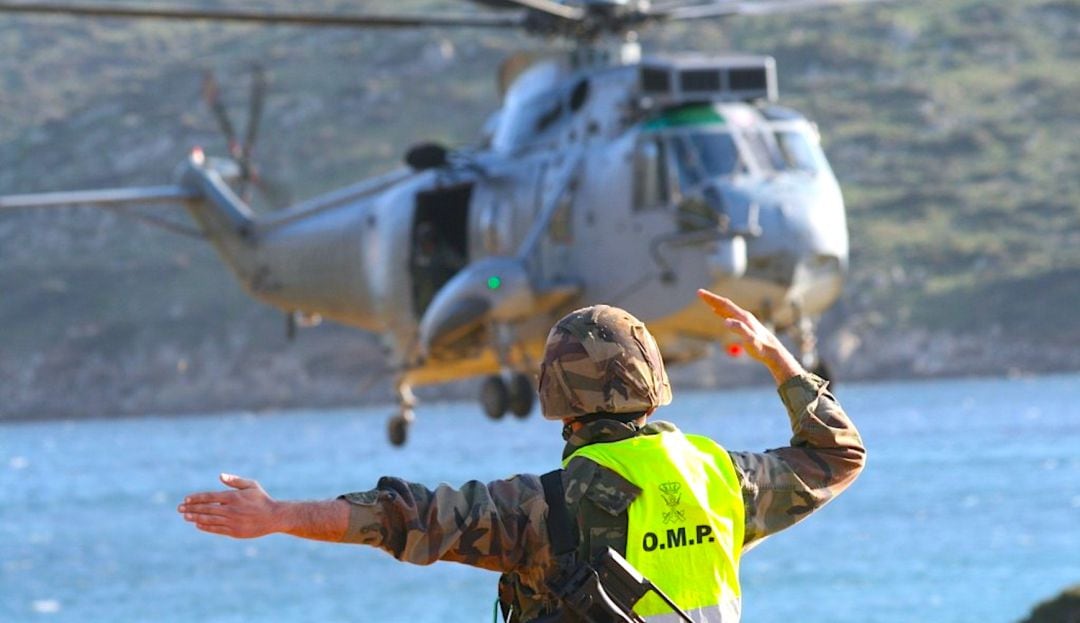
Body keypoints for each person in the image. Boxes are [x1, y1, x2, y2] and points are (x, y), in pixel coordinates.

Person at [178, 289, 865, 622]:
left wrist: (275, 513)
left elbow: (403, 517)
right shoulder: (723, 477)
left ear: (557, 397)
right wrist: (779, 357)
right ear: (655, 382)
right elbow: (837, 454)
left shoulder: (540, 507)